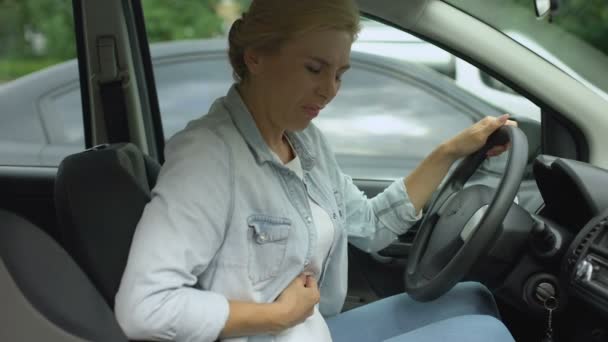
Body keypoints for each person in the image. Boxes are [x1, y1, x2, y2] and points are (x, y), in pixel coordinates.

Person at [114, 0, 516, 341]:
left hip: (312, 329)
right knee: (487, 335)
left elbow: (371, 227)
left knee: (473, 298)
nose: (330, 90)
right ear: (255, 56)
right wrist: (278, 316)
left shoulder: (305, 142)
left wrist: (451, 152)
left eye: (340, 74)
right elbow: (144, 306)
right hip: (279, 331)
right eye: (314, 68)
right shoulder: (206, 158)